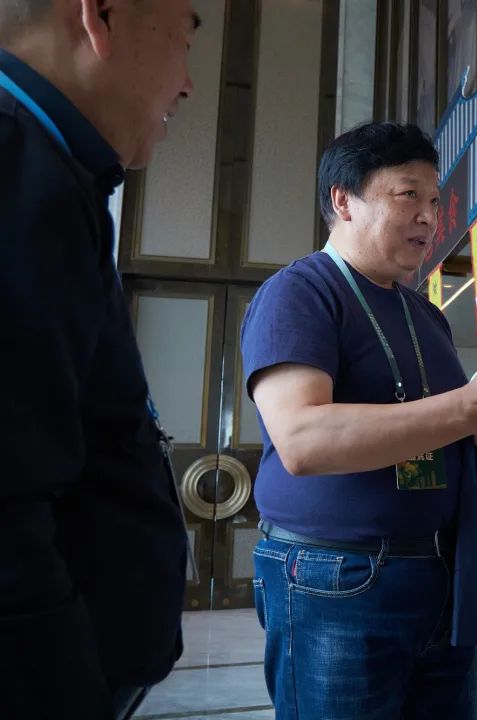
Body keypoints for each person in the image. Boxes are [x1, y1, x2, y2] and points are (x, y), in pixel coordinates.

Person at [242, 121, 477, 719]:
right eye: (408, 195)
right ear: (343, 201)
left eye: (435, 201)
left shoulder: (424, 314)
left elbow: (449, 425)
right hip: (335, 576)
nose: (429, 217)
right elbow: (302, 440)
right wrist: (469, 407)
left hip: (440, 573)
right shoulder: (300, 292)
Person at [0, 1, 199, 718]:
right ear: (100, 16)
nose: (187, 83)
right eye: (186, 38)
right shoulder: (15, 167)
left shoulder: (53, 168)